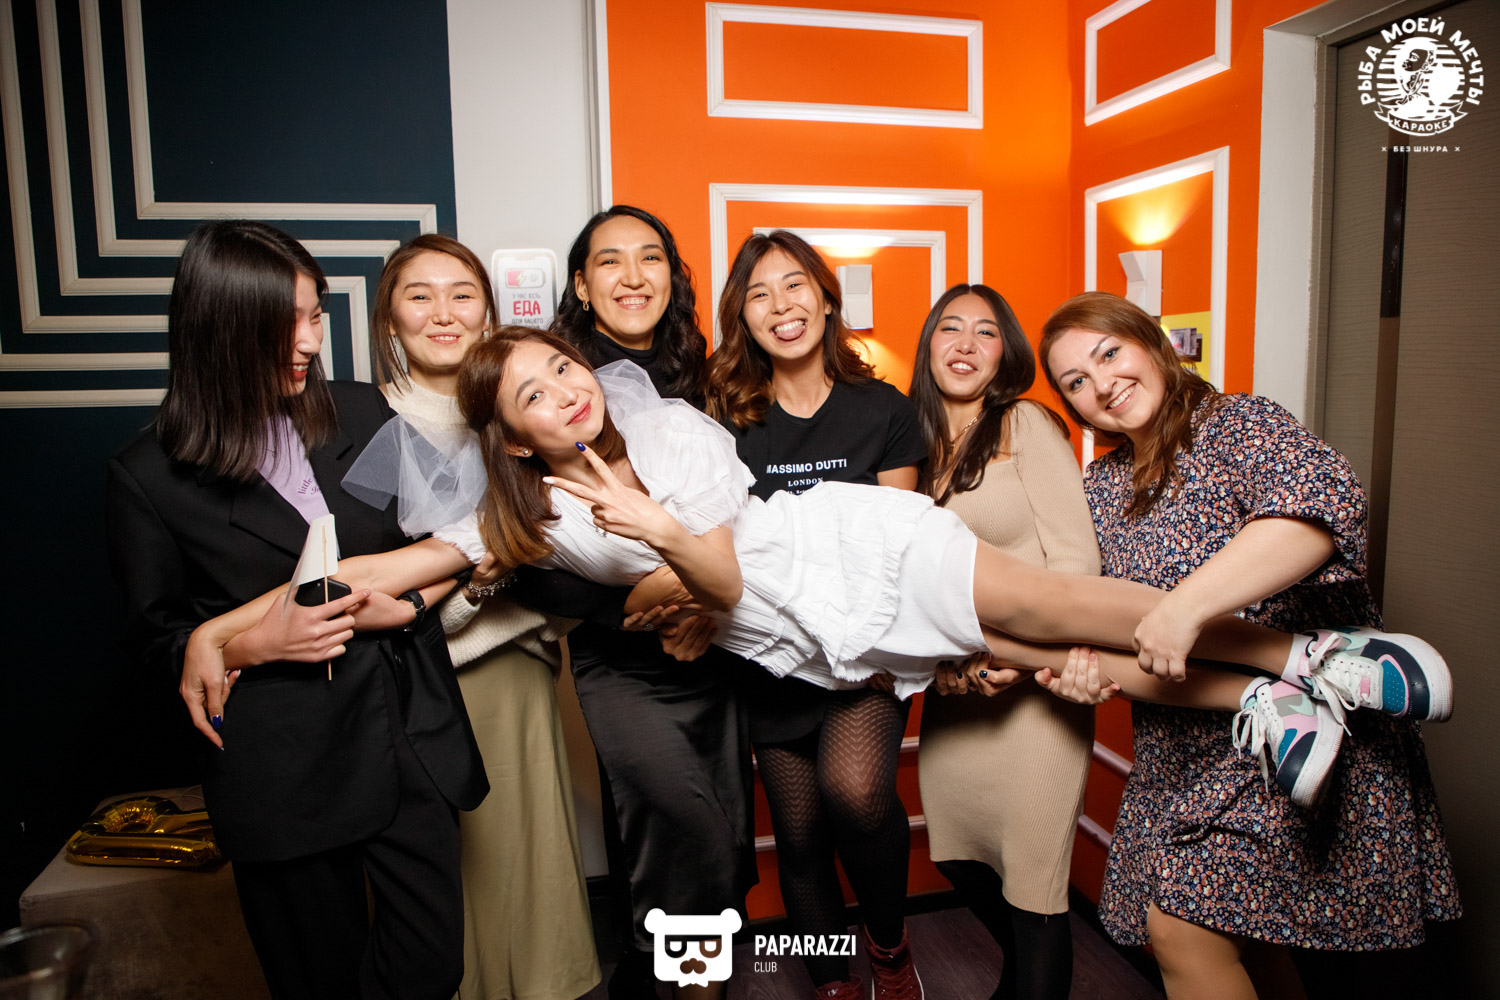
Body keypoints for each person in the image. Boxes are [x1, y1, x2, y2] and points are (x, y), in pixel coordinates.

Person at [1036, 290, 1461, 998]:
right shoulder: (1103, 485)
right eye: (1076, 380)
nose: (1102, 383)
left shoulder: (1236, 423)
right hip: (1186, 741)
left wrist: (1185, 607)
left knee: (1183, 930)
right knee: (1245, 945)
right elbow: (1110, 619)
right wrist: (1083, 673)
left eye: (1109, 353)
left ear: (1154, 344)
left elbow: (1320, 509)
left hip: (1298, 732)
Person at [106, 220, 486, 1000]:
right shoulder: (148, 476)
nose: (308, 341)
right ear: (218, 328)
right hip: (283, 767)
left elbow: (455, 536)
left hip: (403, 730)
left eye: (314, 315)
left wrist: (405, 603)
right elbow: (157, 637)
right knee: (317, 979)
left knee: (432, 965)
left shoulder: (360, 411)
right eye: (283, 323)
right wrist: (256, 643)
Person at [370, 233, 599, 1000]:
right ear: (390, 320)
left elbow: (578, 559)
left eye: (462, 294)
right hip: (425, 682)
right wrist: (477, 587)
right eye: (420, 296)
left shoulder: (523, 410)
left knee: (529, 851)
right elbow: (381, 596)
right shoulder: (367, 425)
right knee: (447, 869)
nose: (444, 313)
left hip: (521, 674)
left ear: (488, 311)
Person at [704, 230, 929, 999]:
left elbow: (902, 541)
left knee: (858, 795)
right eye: (759, 294)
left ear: (827, 299)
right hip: (770, 652)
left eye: (794, 285)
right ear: (743, 318)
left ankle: (890, 950)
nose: (781, 305)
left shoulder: (883, 408)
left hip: (862, 647)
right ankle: (832, 978)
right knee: (798, 834)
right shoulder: (725, 417)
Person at [551, 205, 754, 1000]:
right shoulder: (556, 376)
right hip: (624, 656)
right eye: (610, 261)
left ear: (673, 275)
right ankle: (664, 978)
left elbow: (750, 509)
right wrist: (641, 602)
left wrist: (706, 598)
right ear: (581, 283)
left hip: (718, 642)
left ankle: (686, 980)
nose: (633, 277)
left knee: (719, 835)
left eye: (651, 258)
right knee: (670, 828)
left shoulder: (710, 373)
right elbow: (525, 540)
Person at [909, 284, 1097, 1000]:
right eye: (950, 328)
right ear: (929, 344)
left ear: (1005, 354)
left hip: (1037, 693)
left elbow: (1075, 557)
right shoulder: (910, 444)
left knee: (1035, 887)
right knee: (959, 857)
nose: (965, 344)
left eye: (985, 332)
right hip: (957, 691)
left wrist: (1025, 656)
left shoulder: (1025, 424)